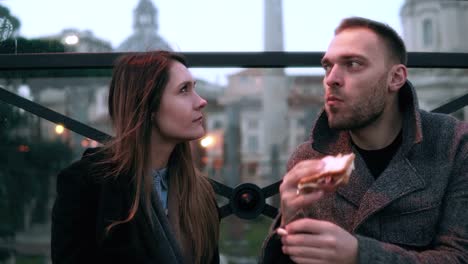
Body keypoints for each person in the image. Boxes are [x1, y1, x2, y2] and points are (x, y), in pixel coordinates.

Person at [260, 17, 468, 263]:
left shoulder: (454, 145)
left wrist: (360, 254)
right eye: (328, 66)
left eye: (353, 64)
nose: (331, 79)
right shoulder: (309, 157)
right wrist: (287, 217)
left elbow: (459, 256)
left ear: (395, 78)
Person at [51, 51, 220, 264]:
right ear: (147, 106)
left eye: (194, 88)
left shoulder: (201, 192)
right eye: (184, 90)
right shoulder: (85, 185)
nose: (201, 101)